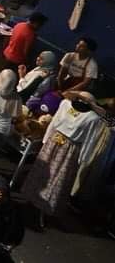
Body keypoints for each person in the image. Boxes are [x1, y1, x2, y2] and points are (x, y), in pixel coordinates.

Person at [21, 91, 106, 226]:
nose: (81, 102)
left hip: (70, 150)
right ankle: (31, 198)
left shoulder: (93, 118)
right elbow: (54, 122)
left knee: (58, 177)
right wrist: (45, 139)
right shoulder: (65, 104)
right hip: (53, 142)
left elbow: (90, 140)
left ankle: (44, 208)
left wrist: (83, 158)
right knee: (41, 170)